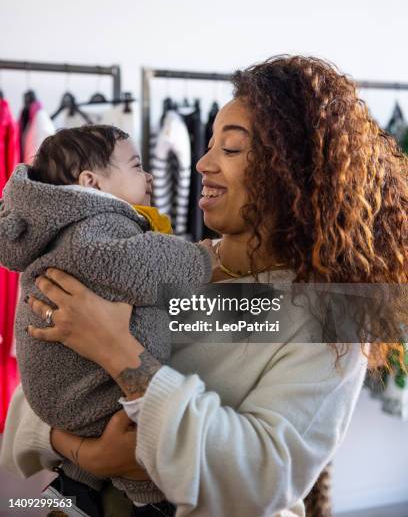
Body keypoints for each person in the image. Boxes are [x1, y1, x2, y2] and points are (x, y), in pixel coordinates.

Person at [2, 55, 407, 517]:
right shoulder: (170, 264)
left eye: (230, 150)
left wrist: (118, 352)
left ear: (294, 171)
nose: (201, 162)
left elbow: (263, 474)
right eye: (210, 144)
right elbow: (49, 379)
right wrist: (87, 454)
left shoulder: (328, 312)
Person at [0, 125, 214, 509]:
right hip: (85, 404)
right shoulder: (96, 229)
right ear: (91, 182)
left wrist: (82, 453)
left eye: (230, 149)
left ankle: (79, 487)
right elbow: (143, 264)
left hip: (69, 403)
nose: (202, 162)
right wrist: (202, 258)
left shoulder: (306, 305)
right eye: (136, 166)